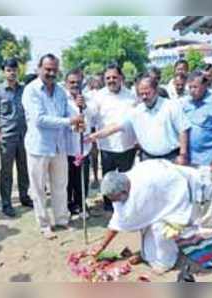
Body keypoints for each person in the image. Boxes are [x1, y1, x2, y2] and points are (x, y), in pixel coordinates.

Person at [89, 159, 212, 274]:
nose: (114, 202)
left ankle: (166, 262)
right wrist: (102, 245)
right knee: (148, 224)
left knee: (159, 229)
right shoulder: (126, 179)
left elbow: (119, 223)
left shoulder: (139, 194)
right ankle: (148, 255)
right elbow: (120, 216)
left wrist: (102, 246)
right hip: (167, 192)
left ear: (123, 191)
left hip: (187, 193)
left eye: (115, 199)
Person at [22, 54, 84, 239]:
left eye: (54, 70)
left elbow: (66, 114)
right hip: (39, 147)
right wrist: (69, 121)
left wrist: (77, 122)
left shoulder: (59, 91)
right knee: (39, 188)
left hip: (59, 146)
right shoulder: (31, 90)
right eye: (47, 69)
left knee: (60, 185)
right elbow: (39, 120)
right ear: (39, 69)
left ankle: (62, 220)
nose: (51, 73)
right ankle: (44, 224)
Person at [88, 74, 190, 164]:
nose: (144, 97)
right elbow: (115, 127)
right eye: (141, 94)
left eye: (147, 93)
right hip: (147, 159)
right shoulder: (137, 111)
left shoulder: (171, 106)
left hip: (171, 158)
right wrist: (94, 136)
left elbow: (183, 130)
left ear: (155, 90)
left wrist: (183, 154)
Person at [0, 58, 32, 218]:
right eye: (8, 70)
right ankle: (6, 203)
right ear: (4, 72)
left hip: (24, 135)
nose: (11, 73)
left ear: (18, 71)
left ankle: (24, 197)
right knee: (6, 171)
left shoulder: (24, 90)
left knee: (24, 168)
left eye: (14, 70)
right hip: (7, 136)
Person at [92, 63, 137, 211]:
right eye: (108, 78)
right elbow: (91, 117)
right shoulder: (98, 97)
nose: (111, 80)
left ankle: (126, 205)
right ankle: (108, 205)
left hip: (127, 145)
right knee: (108, 178)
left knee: (126, 178)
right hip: (107, 146)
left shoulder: (131, 95)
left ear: (121, 78)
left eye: (114, 77)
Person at [65, 69, 96, 217]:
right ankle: (69, 205)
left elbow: (93, 118)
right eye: (71, 82)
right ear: (66, 83)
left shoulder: (88, 99)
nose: (75, 85)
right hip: (67, 147)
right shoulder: (61, 99)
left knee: (82, 178)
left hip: (83, 146)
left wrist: (84, 107)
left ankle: (82, 204)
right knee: (68, 180)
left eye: (78, 82)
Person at [182, 71, 212, 167]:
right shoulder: (185, 103)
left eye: (195, 87)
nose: (192, 90)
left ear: (205, 85)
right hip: (188, 158)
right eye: (189, 87)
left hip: (208, 159)